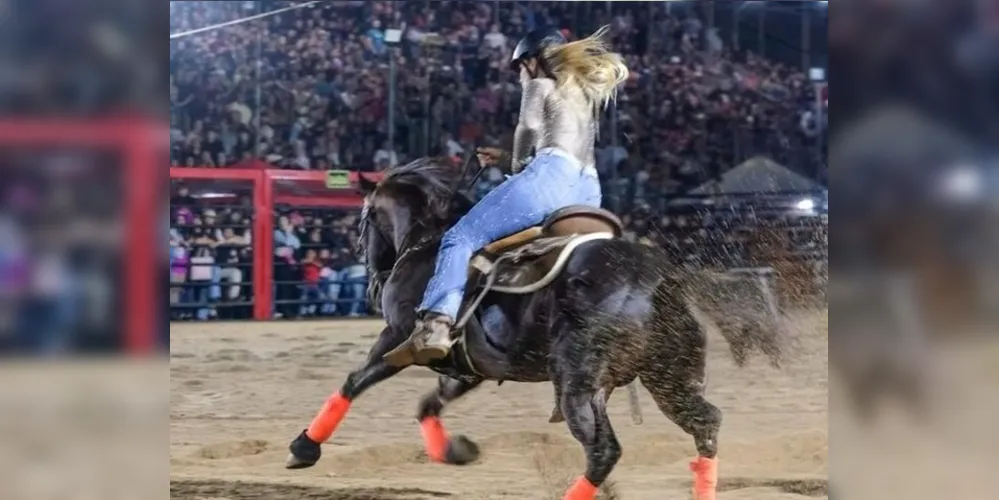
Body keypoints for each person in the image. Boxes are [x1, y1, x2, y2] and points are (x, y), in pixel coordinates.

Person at [383, 27, 629, 367]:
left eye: (519, 67)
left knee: (459, 237)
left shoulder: (539, 84)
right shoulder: (583, 96)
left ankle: (437, 324)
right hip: (588, 190)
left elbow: (527, 128)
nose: (518, 75)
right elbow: (560, 144)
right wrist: (502, 158)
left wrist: (513, 164)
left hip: (549, 178)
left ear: (532, 62)